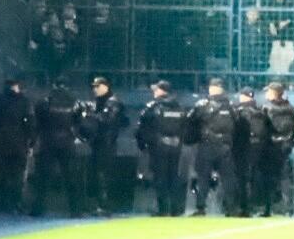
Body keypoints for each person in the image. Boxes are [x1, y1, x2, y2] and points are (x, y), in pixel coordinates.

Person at [30, 78, 85, 216]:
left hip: (48, 141)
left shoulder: (44, 102)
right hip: (67, 142)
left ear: (54, 86)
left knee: (43, 177)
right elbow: (79, 123)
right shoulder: (75, 102)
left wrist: (33, 141)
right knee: (71, 177)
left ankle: (38, 209)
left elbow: (37, 123)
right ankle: (75, 210)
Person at [0, 74, 34, 215]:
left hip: (0, 143)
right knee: (17, 176)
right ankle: (15, 204)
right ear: (17, 86)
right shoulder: (24, 102)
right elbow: (30, 123)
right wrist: (31, 142)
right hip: (19, 145)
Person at [136, 80, 189, 216]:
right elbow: (185, 127)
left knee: (160, 178)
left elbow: (141, 127)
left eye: (156, 89)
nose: (154, 92)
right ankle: (176, 209)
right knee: (174, 177)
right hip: (175, 147)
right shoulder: (179, 107)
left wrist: (143, 144)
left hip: (158, 147)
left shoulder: (152, 107)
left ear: (161, 91)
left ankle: (163, 209)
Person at [186, 77, 237, 215]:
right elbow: (237, 125)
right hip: (225, 146)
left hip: (207, 145)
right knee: (228, 179)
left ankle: (200, 208)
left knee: (203, 178)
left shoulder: (202, 105)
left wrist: (192, 139)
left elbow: (190, 122)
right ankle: (231, 208)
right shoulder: (231, 106)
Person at [82, 76, 127, 214]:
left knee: (103, 174)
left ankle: (104, 205)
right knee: (95, 174)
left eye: (97, 86)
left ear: (105, 86)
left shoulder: (113, 102)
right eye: (94, 87)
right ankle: (98, 204)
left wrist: (89, 114)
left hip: (107, 143)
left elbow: (108, 119)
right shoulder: (100, 101)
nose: (94, 89)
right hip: (98, 142)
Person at [260, 82, 294, 216]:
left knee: (269, 178)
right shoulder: (291, 108)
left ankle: (268, 208)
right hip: (286, 146)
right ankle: (288, 208)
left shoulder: (266, 108)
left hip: (271, 146)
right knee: (286, 178)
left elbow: (262, 128)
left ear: (273, 93)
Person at [231, 87, 270, 216]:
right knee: (255, 177)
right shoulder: (261, 111)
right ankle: (257, 205)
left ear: (243, 96)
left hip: (243, 148)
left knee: (242, 178)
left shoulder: (238, 111)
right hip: (259, 148)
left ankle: (243, 207)